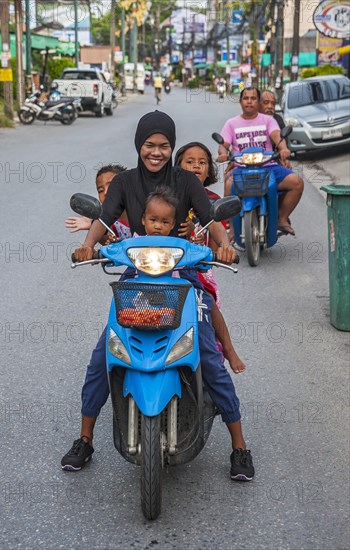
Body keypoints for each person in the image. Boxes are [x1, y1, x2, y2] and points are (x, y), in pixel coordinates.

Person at [62, 111, 254, 481]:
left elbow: (211, 218)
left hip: (182, 275)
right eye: (149, 145)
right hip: (138, 277)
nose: (156, 152)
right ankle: (85, 438)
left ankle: (239, 445)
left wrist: (226, 246)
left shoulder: (185, 180)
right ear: (139, 146)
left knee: (210, 356)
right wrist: (87, 245)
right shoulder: (125, 182)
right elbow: (103, 218)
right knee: (105, 353)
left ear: (171, 147)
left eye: (164, 145)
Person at [174, 141, 245, 374]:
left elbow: (215, 243)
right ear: (177, 167)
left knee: (208, 306)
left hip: (198, 268)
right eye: (190, 162)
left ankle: (227, 350)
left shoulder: (213, 201)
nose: (196, 166)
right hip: (164, 265)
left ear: (209, 170)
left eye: (202, 162)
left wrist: (220, 249)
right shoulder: (167, 197)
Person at [218, 87, 303, 236]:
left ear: (258, 102)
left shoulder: (268, 120)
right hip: (241, 169)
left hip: (268, 167)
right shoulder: (231, 123)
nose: (249, 102)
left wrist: (283, 149)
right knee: (229, 185)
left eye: (253, 98)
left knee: (296, 182)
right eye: (246, 98)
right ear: (240, 102)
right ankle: (232, 228)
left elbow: (277, 137)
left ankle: (281, 219)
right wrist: (223, 153)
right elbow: (223, 145)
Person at [65, 164, 129, 237]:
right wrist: (92, 226)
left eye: (111, 185)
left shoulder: (141, 210)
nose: (105, 192)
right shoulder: (106, 224)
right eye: (101, 190)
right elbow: (106, 244)